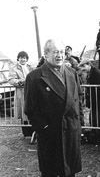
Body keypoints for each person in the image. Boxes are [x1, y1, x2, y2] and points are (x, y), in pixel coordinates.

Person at [24, 39, 84, 177]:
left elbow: (78, 100)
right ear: (46, 54)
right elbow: (30, 109)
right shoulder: (34, 77)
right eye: (55, 52)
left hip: (70, 130)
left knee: (69, 171)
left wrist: (79, 124)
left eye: (62, 52)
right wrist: (43, 128)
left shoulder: (71, 73)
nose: (59, 55)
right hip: (50, 134)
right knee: (51, 171)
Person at [77, 59, 100, 144]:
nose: (83, 69)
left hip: (99, 100)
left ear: (89, 65)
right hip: (96, 100)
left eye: (84, 66)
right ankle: (96, 135)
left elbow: (97, 89)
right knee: (94, 118)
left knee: (98, 118)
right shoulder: (93, 73)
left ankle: (99, 136)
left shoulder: (96, 74)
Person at [8, 51, 34, 137]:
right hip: (21, 92)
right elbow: (11, 80)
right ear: (18, 58)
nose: (23, 59)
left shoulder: (31, 67)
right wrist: (21, 81)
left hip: (31, 92)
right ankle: (26, 133)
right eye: (21, 57)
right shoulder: (14, 68)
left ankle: (33, 132)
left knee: (32, 110)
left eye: (24, 58)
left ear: (27, 59)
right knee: (23, 111)